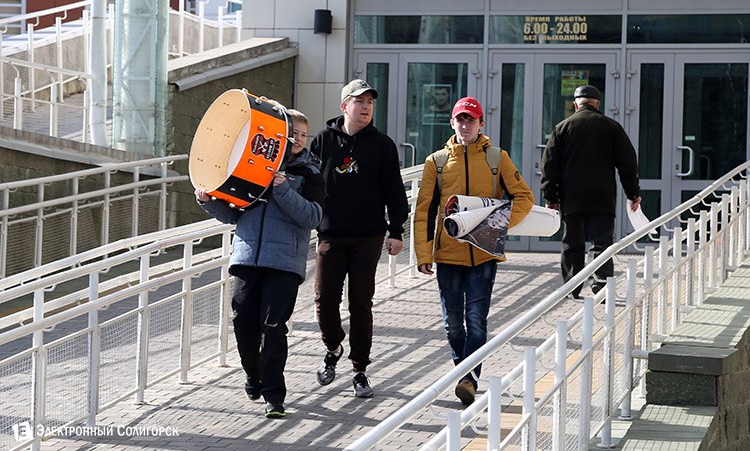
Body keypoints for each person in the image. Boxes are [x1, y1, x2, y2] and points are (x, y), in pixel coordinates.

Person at [195, 106, 324, 418]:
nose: (298, 139)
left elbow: (313, 217)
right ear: (278, 134)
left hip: (284, 262)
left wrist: (282, 188)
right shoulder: (252, 164)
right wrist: (207, 201)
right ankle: (253, 376)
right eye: (292, 133)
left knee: (273, 327)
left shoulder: (310, 173)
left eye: (303, 135)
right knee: (243, 322)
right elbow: (233, 215)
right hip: (247, 256)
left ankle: (274, 396)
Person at [413, 96, 534, 405]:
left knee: (476, 320)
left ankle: (468, 379)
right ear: (452, 123)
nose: (465, 125)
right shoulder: (436, 161)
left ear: (481, 124)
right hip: (448, 255)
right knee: (453, 324)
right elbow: (424, 211)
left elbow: (524, 197)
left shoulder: (497, 158)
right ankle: (464, 372)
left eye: (471, 120)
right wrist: (424, 254)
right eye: (461, 119)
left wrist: (498, 224)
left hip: (483, 254)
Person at [310, 78, 409, 398]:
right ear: (344, 106)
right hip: (330, 233)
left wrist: (396, 231)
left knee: (360, 303)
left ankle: (360, 370)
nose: (366, 107)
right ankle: (333, 347)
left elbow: (395, 191)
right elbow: (309, 182)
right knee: (325, 298)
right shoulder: (323, 140)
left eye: (370, 102)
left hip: (368, 236)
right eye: (359, 101)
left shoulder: (382, 145)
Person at [540, 84, 641, 300]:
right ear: (597, 104)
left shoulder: (562, 128)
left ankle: (572, 287)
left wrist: (551, 197)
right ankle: (601, 286)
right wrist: (633, 193)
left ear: (575, 104)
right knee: (601, 242)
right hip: (602, 197)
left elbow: (549, 167)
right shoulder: (611, 127)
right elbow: (628, 163)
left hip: (571, 197)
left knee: (572, 243)